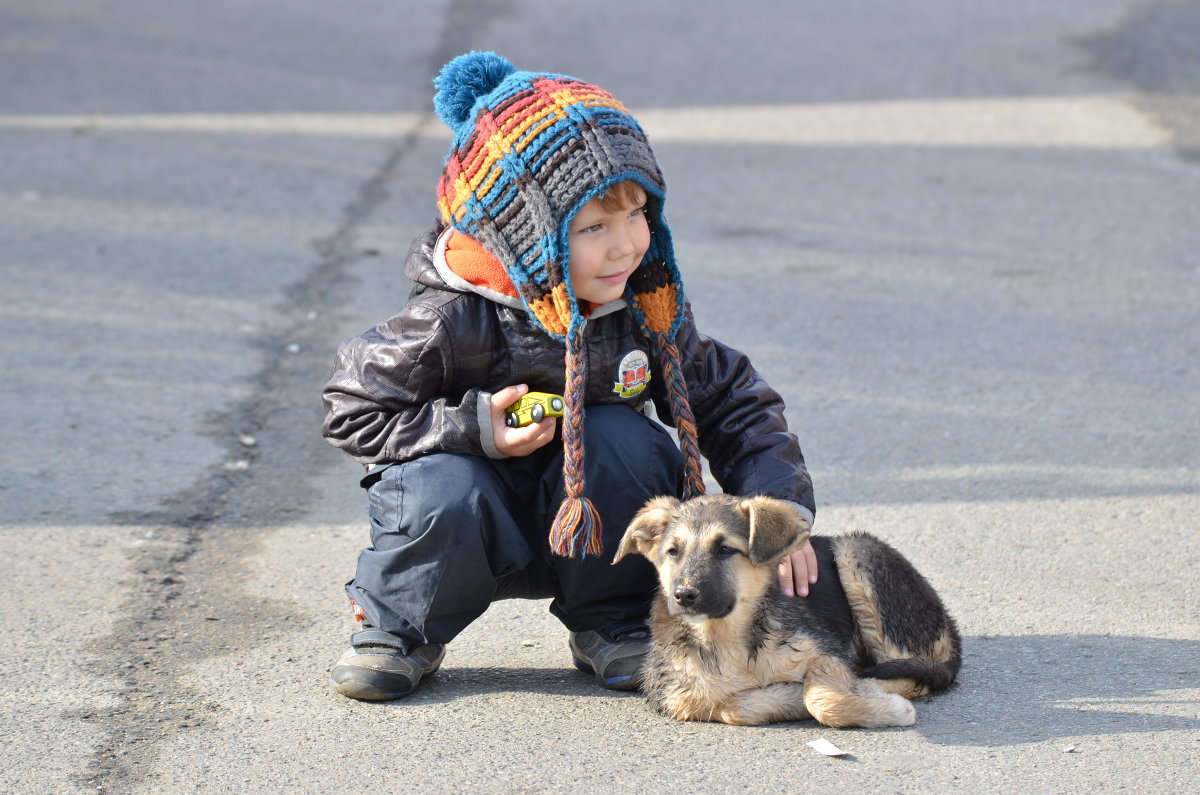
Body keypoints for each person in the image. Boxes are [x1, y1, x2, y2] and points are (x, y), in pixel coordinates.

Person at [321, 51, 817, 701]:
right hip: (471, 516)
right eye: (593, 227)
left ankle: (612, 620)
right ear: (523, 236)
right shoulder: (452, 316)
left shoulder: (642, 307)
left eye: (638, 214)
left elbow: (731, 399)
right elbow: (351, 408)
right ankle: (398, 626)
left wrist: (779, 517)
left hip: (590, 520)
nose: (625, 244)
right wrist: (472, 427)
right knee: (441, 484)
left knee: (626, 442)